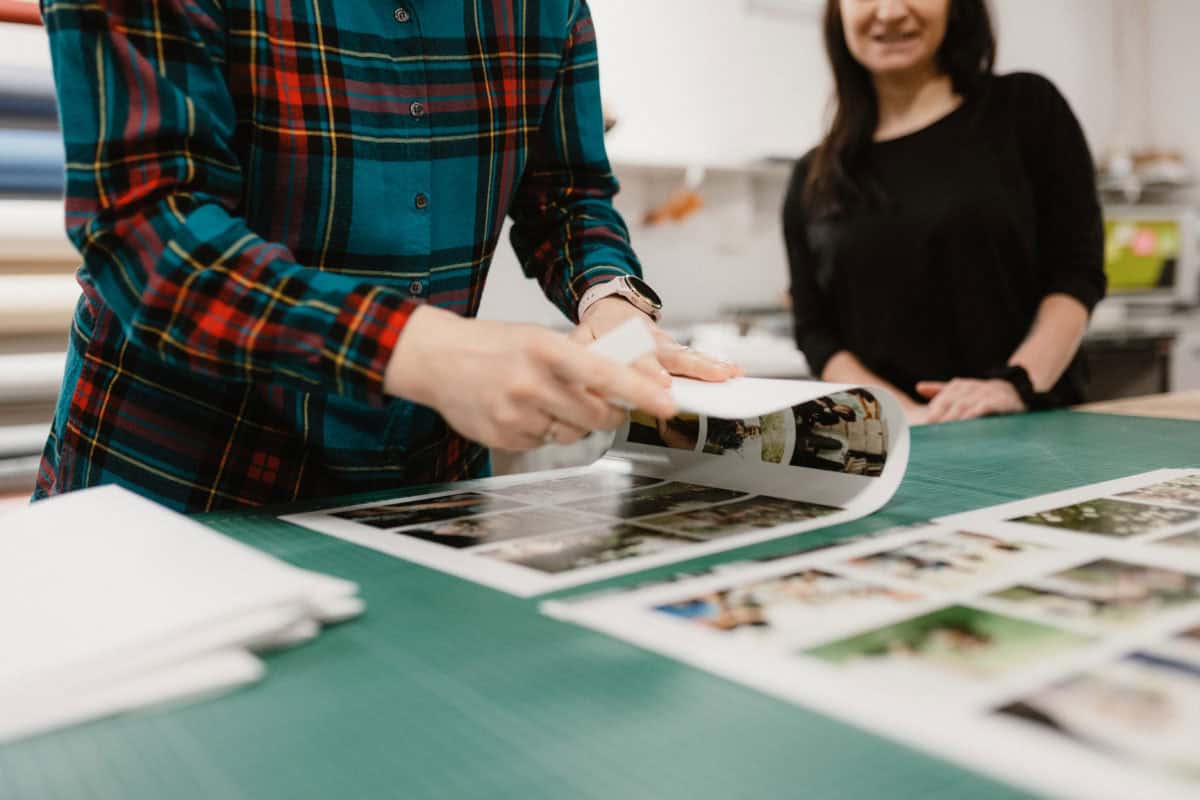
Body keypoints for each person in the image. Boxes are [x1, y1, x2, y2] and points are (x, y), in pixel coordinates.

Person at [33, 1, 739, 512]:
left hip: (427, 490)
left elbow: (568, 192)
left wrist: (611, 301)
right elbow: (145, 228)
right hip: (177, 483)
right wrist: (427, 352)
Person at [784, 0, 1106, 425]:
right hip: (894, 446)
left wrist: (1014, 385)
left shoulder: (1026, 108)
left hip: (1032, 428)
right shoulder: (814, 175)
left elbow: (1076, 271)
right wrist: (906, 415)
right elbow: (816, 331)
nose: (890, 11)